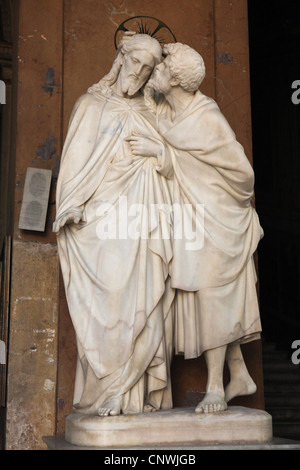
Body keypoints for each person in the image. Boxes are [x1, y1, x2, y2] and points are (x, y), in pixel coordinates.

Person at [127, 42, 264, 413]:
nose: (155, 70)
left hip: (218, 218)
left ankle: (216, 388)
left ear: (175, 79)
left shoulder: (207, 118)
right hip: (192, 219)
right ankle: (239, 374)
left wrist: (162, 154)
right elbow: (160, 131)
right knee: (205, 297)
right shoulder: (168, 112)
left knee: (212, 296)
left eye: (161, 67)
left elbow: (243, 174)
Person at [53, 33, 175, 417]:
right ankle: (105, 387)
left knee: (147, 302)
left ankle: (131, 394)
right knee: (106, 308)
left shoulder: (155, 111)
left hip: (144, 222)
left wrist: (161, 153)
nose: (137, 74)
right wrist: (70, 206)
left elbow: (180, 163)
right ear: (121, 57)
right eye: (134, 63)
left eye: (147, 69)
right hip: (102, 224)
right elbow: (75, 163)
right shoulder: (91, 104)